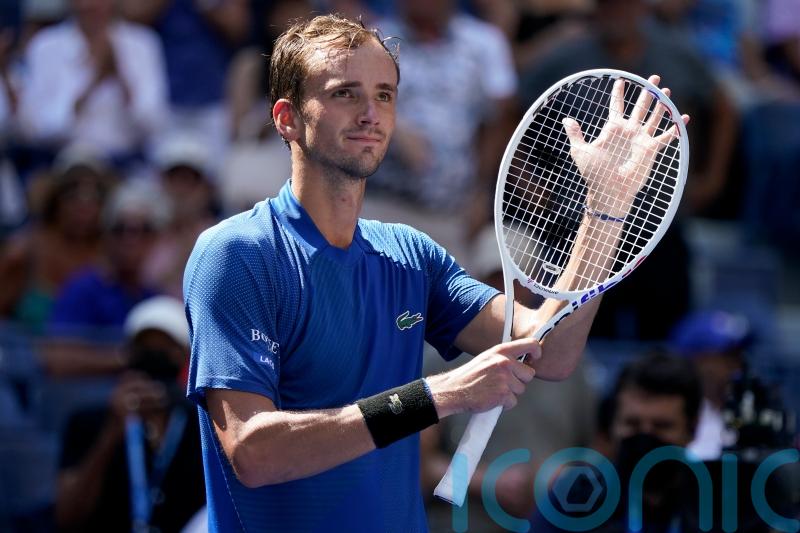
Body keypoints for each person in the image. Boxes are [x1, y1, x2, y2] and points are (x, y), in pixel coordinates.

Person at [184, 14, 688, 532]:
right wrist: (440, 395)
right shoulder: (236, 253)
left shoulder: (411, 254)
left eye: (384, 95)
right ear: (287, 118)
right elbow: (253, 452)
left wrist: (604, 213)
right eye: (344, 94)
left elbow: (549, 349)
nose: (369, 113)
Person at [56, 296, 205, 532]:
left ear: (185, 356)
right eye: (144, 350)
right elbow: (68, 515)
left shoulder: (202, 425)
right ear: (129, 353)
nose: (155, 358)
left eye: (168, 350)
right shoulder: (89, 422)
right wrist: (113, 429)